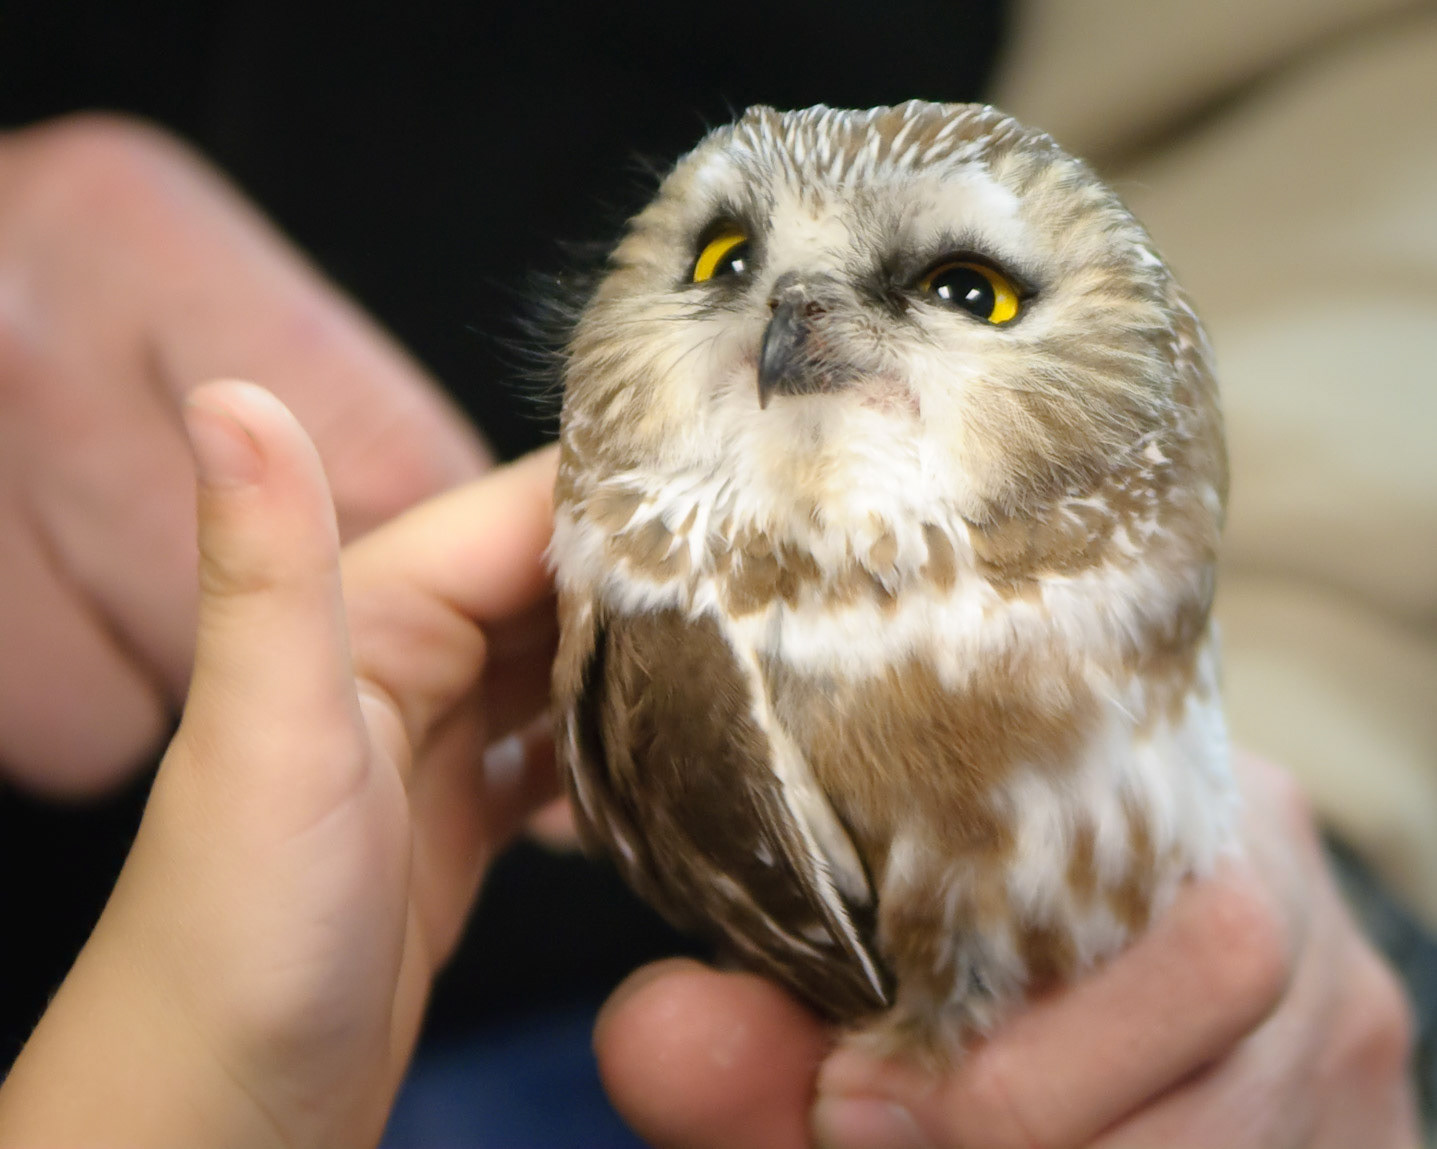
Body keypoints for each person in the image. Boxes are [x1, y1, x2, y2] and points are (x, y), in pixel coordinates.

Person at [0, 121, 1422, 1149]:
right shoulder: (666, 630)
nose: (795, 321)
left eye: (959, 290)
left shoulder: (1112, 531)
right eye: (728, 260)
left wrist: (1312, 846)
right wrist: (182, 1082)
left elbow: (1349, 116)